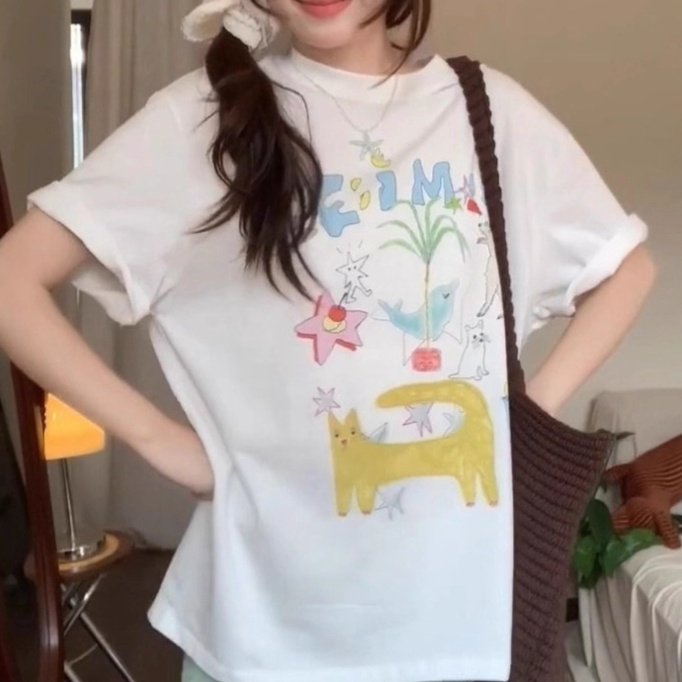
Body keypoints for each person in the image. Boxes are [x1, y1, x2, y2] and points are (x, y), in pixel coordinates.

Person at [0, 1, 656, 681]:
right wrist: (161, 441)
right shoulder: (206, 118)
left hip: (464, 629)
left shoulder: (486, 110)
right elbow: (12, 280)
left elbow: (626, 271)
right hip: (265, 631)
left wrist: (524, 414)